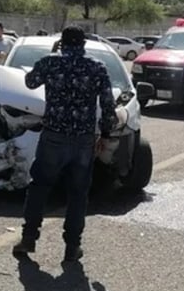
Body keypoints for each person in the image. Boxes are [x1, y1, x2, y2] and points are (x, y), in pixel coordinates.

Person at [12, 26, 117, 263]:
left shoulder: (51, 63)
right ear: (83, 44)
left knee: (40, 186)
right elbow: (109, 105)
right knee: (78, 194)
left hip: (54, 137)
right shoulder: (97, 67)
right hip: (83, 140)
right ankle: (72, 247)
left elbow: (29, 82)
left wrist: (51, 55)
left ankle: (29, 238)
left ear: (61, 43)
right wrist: (106, 135)